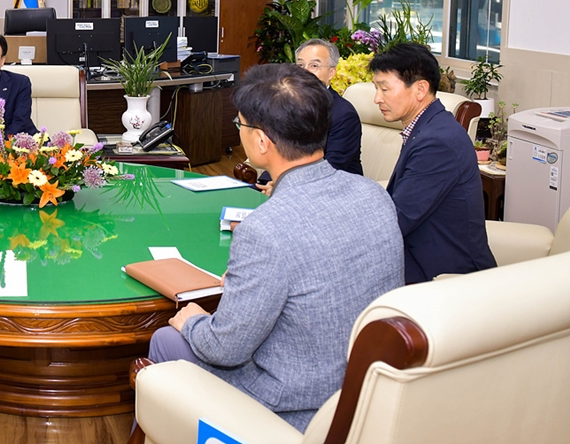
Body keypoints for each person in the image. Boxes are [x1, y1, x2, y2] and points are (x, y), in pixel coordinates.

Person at [147, 63, 404, 431]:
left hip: (295, 406)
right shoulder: (373, 195)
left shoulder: (265, 230)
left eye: (240, 126)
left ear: (263, 141)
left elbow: (225, 349)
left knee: (167, 339)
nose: (240, 135)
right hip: (367, 396)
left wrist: (192, 323)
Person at [368, 42, 496, 283]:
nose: (377, 98)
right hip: (420, 257)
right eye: (376, 88)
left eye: (384, 89)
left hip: (444, 276)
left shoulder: (438, 142)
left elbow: (398, 218)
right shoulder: (427, 128)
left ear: (420, 89)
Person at [257, 39, 362, 193]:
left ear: (331, 73)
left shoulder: (344, 115)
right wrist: (270, 182)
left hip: (335, 192)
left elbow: (333, 167)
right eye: (300, 65)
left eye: (314, 66)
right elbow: (278, 153)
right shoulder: (289, 107)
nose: (304, 72)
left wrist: (284, 187)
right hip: (290, 188)